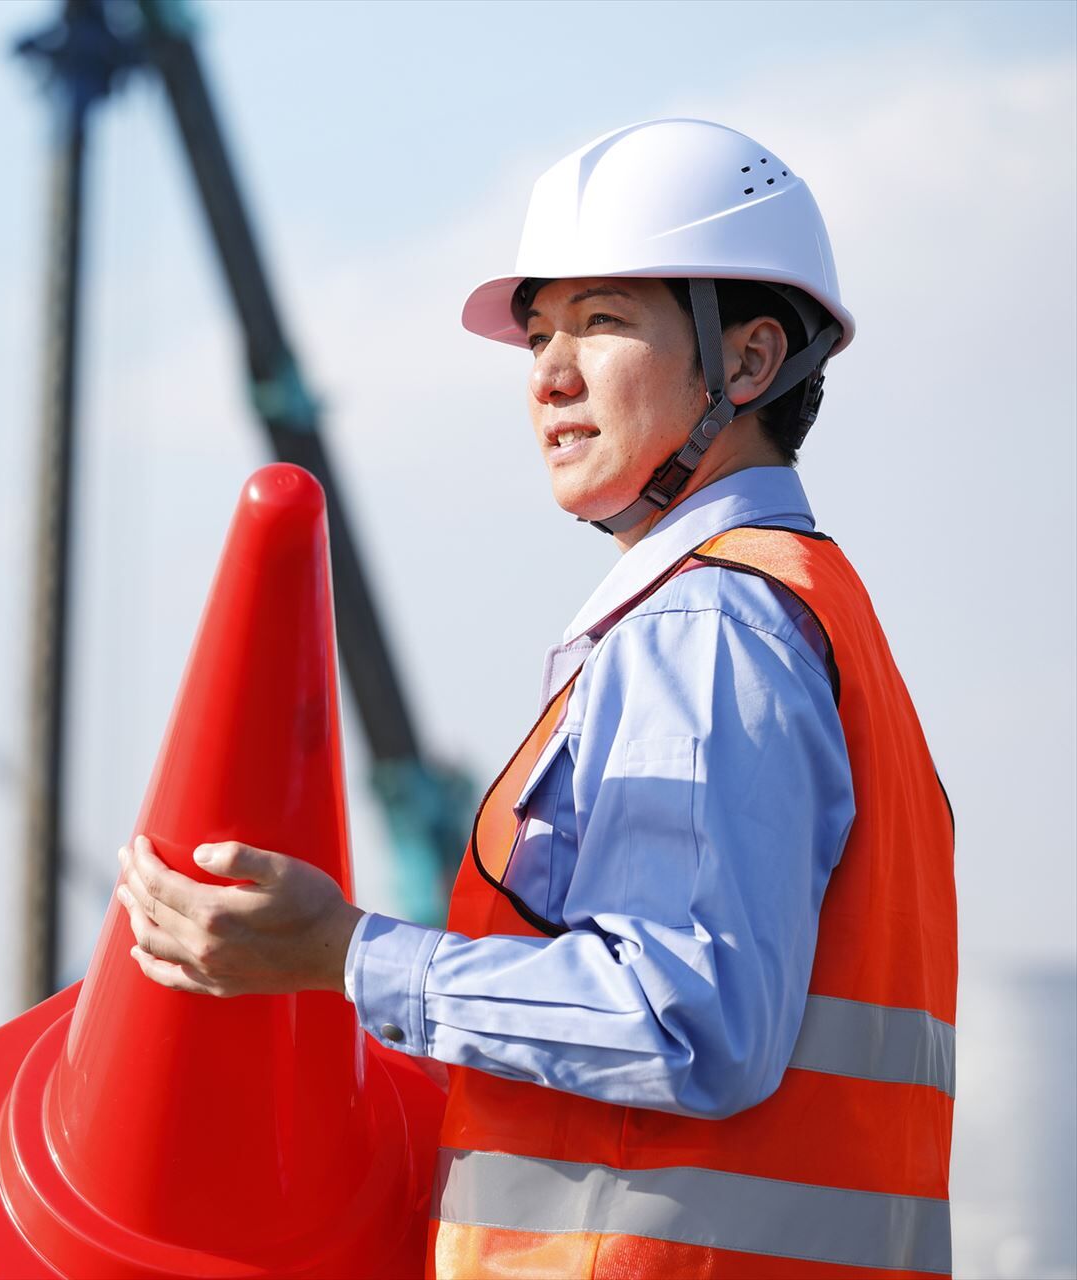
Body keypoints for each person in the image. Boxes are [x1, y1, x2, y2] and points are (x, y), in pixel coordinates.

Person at [114, 119, 956, 1278]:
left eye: (603, 321)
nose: (550, 372)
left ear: (752, 364)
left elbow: (687, 1015)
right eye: (538, 331)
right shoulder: (811, 610)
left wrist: (349, 952)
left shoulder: (702, 623)